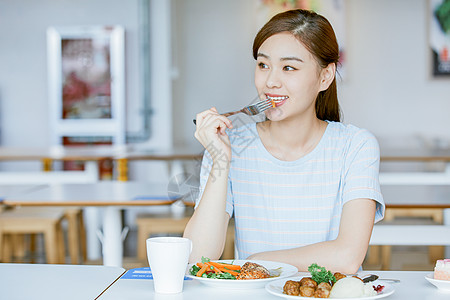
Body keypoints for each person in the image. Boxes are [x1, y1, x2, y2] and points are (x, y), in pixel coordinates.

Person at [183, 9, 384, 273]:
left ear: (325, 76)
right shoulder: (228, 145)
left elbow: (347, 257)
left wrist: (257, 261)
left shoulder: (355, 146)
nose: (270, 81)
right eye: (263, 65)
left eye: (289, 67)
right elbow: (197, 257)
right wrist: (220, 159)